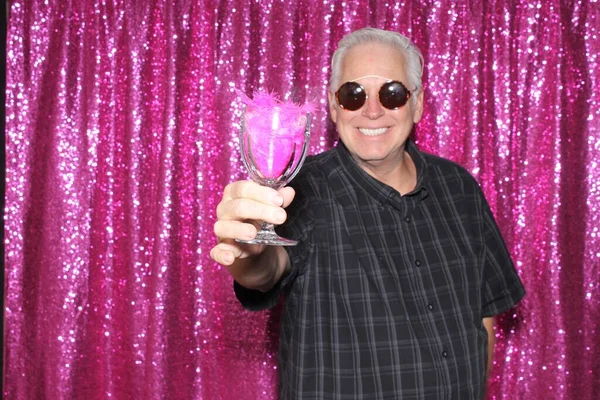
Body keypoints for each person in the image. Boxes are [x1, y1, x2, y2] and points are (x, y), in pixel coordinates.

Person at [210, 27, 525, 399]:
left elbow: (482, 314)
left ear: (418, 103)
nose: (372, 110)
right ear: (332, 105)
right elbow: (265, 271)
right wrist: (248, 252)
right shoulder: (300, 189)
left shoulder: (460, 187)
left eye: (391, 93)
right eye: (353, 94)